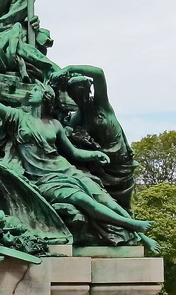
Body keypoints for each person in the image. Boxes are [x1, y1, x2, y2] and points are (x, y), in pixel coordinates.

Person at [0, 58, 155, 249]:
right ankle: (131, 225)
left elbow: (73, 153)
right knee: (81, 199)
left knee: (106, 199)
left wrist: (94, 155)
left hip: (66, 170)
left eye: (35, 90)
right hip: (44, 178)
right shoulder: (17, 118)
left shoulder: (55, 124)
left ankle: (141, 237)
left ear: (45, 97)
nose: (29, 93)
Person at [49, 64, 136, 209]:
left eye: (82, 90)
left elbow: (99, 73)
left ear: (89, 89)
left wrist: (69, 68)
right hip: (102, 165)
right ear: (70, 95)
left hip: (120, 162)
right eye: (75, 93)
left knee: (124, 203)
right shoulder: (76, 119)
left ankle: (129, 225)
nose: (79, 96)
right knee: (109, 201)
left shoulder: (101, 104)